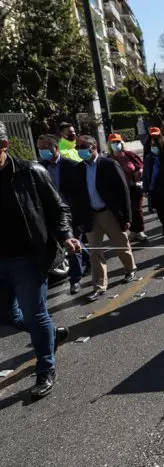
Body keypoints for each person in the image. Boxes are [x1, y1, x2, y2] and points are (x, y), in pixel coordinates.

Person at [0, 122, 77, 397]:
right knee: (7, 315)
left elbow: (59, 209)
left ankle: (45, 367)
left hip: (28, 258)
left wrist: (66, 235)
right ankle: (49, 334)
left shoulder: (32, 172)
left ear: (4, 146)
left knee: (35, 314)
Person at [73, 135, 137, 302]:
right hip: (91, 216)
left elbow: (123, 191)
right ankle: (99, 286)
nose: (79, 150)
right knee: (95, 252)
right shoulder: (78, 169)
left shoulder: (109, 165)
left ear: (93, 147)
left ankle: (129, 269)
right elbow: (78, 197)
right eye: (78, 147)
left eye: (83, 146)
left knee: (121, 243)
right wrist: (80, 219)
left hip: (109, 213)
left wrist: (127, 216)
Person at [37, 134, 91, 295]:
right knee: (74, 244)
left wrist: (83, 216)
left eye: (45, 148)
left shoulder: (74, 166)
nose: (42, 152)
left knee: (72, 246)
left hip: (72, 214)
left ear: (56, 148)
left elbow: (83, 194)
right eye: (39, 149)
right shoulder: (39, 169)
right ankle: (88, 258)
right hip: (52, 216)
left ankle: (75, 280)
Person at [107, 133, 147, 242]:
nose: (116, 144)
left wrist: (140, 171)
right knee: (126, 212)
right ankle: (132, 232)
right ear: (109, 144)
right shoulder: (108, 159)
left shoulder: (129, 155)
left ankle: (139, 231)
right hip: (119, 191)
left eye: (118, 142)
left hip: (134, 187)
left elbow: (141, 165)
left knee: (137, 209)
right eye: (113, 142)